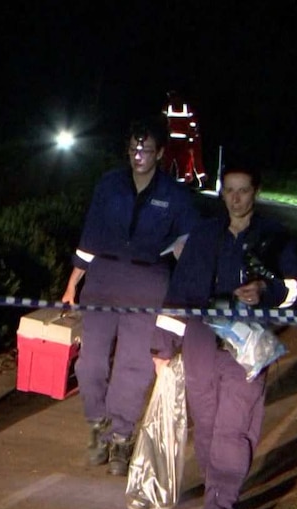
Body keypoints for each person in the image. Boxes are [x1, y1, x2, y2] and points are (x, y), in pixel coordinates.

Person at [151, 162, 297, 509]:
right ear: (222, 193)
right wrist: (163, 346)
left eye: (244, 190)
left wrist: (265, 292)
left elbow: (296, 287)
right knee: (206, 427)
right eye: (230, 190)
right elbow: (180, 292)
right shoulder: (204, 234)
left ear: (256, 192)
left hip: (247, 346)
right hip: (202, 343)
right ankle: (216, 489)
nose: (236, 198)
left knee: (232, 429)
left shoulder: (273, 236)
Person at [62, 116, 200, 476]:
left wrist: (188, 291)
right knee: (89, 363)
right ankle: (99, 427)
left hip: (148, 282)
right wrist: (72, 282)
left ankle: (122, 436)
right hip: (104, 280)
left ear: (160, 153)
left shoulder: (175, 195)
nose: (139, 156)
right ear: (127, 149)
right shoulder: (109, 185)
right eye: (134, 149)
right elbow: (91, 235)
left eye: (147, 150)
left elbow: (187, 245)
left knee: (133, 366)